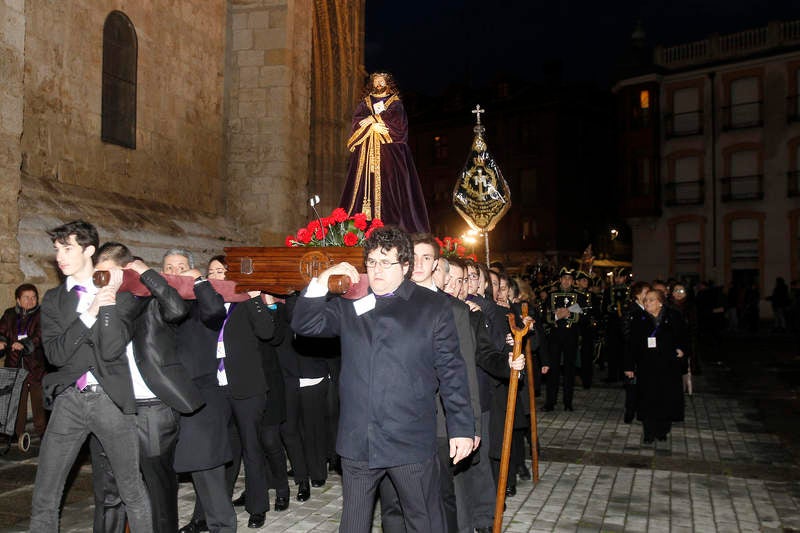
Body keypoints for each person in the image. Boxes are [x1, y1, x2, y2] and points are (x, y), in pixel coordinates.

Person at [291, 226, 474, 532]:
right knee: (353, 524)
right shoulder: (352, 304)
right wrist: (322, 279)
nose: (377, 270)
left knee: (424, 522)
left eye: (386, 262)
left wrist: (462, 428)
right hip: (358, 441)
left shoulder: (431, 306)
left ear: (406, 266)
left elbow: (452, 370)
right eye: (372, 262)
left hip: (410, 441)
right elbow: (305, 323)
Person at [30, 220, 152, 531]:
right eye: (57, 249)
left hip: (110, 399)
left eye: (67, 248)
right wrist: (89, 314)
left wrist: (107, 300)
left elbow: (111, 350)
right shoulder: (55, 299)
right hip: (69, 400)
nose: (60, 256)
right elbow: (56, 355)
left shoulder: (119, 294)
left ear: (88, 250)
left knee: (132, 490)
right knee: (45, 494)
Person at [88, 242, 203, 533]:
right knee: (113, 489)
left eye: (111, 274)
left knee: (158, 488)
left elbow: (177, 308)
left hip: (152, 408)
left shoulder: (152, 299)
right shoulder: (102, 301)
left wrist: (148, 273)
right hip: (113, 408)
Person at [339, 72, 430, 233]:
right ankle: (360, 228)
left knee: (392, 190)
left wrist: (374, 119)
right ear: (372, 84)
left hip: (390, 156)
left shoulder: (395, 103)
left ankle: (393, 227)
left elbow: (398, 126)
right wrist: (370, 127)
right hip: (365, 159)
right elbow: (356, 123)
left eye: (382, 81)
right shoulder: (364, 104)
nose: (379, 84)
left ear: (388, 83)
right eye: (376, 81)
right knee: (362, 190)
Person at [625, 289, 688, 443]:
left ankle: (663, 430)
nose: (647, 303)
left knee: (666, 399)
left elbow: (684, 336)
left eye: (651, 300)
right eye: (645, 300)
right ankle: (648, 432)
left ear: (660, 302)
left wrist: (682, 349)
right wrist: (629, 366)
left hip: (668, 365)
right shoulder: (638, 318)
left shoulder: (673, 316)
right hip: (647, 366)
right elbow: (631, 345)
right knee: (647, 399)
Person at [0, 283, 47, 441]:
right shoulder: (9, 314)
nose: (30, 301)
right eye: (26, 298)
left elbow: (41, 335)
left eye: (33, 297)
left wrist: (25, 344)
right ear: (18, 300)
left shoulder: (42, 315)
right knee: (16, 402)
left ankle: (44, 435)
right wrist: (2, 342)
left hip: (36, 366)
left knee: (39, 401)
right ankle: (17, 434)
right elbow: (2, 331)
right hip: (15, 365)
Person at [542, 268, 582, 411]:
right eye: (564, 278)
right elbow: (546, 317)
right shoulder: (551, 295)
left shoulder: (579, 296)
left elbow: (582, 317)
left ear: (573, 281)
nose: (566, 281)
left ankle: (568, 402)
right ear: (560, 280)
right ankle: (550, 402)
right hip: (555, 337)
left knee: (569, 371)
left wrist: (566, 313)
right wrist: (558, 315)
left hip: (571, 336)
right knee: (552, 370)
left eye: (569, 279)